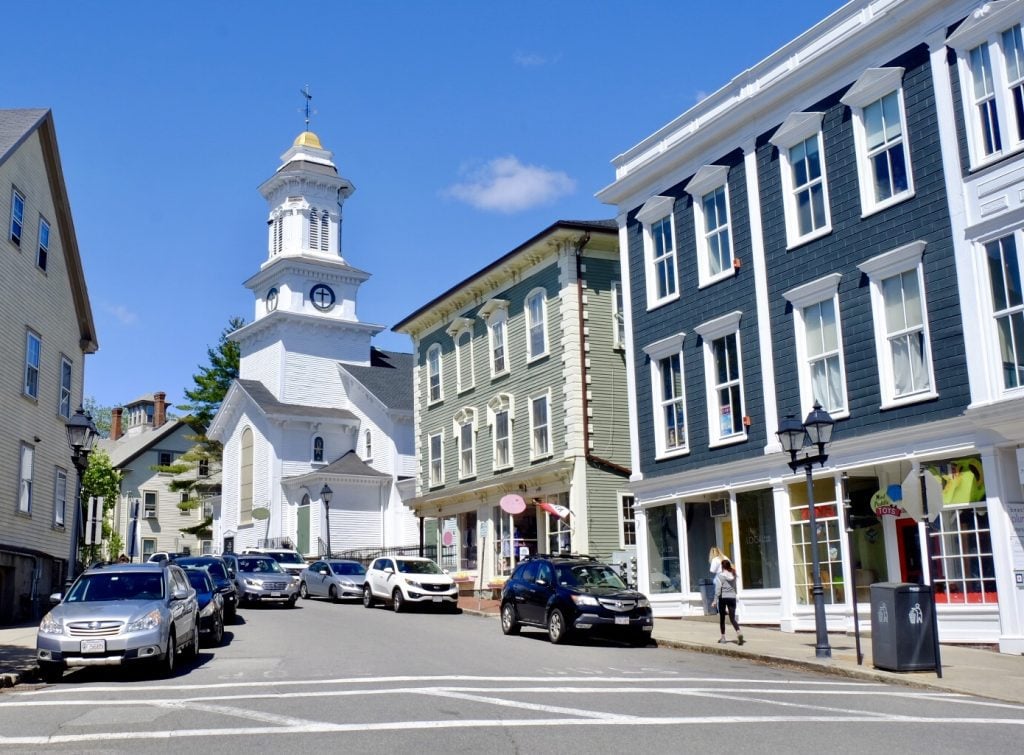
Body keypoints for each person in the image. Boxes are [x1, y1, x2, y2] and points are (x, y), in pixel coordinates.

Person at [711, 559, 744, 645]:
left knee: (722, 618)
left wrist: (714, 601)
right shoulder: (734, 574)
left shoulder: (720, 576)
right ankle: (739, 633)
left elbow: (718, 589)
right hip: (732, 597)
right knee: (732, 618)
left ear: (722, 566)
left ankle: (723, 638)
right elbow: (734, 586)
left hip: (723, 597)